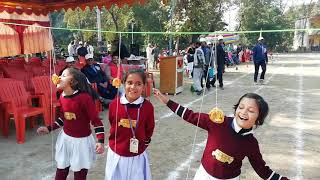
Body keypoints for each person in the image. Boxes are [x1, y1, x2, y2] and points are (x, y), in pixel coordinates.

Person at [153, 89, 289, 180]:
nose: (243, 112)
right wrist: (167, 101)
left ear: (258, 119)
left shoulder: (251, 143)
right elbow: (191, 116)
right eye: (241, 107)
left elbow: (261, 169)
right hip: (204, 175)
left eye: (251, 110)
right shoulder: (218, 121)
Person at [37, 68, 105, 180]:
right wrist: (49, 128)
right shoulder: (62, 96)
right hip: (65, 139)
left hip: (81, 142)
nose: (59, 78)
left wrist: (100, 141)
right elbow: (64, 117)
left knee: (80, 172)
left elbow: (96, 121)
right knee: (61, 168)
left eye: (63, 75)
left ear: (73, 81)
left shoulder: (85, 98)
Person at [105, 69, 155, 180]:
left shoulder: (147, 107)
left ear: (143, 86)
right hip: (116, 154)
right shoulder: (114, 105)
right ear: (123, 83)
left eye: (138, 84)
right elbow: (112, 122)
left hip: (137, 155)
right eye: (130, 83)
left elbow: (149, 129)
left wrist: (141, 144)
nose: (133, 87)